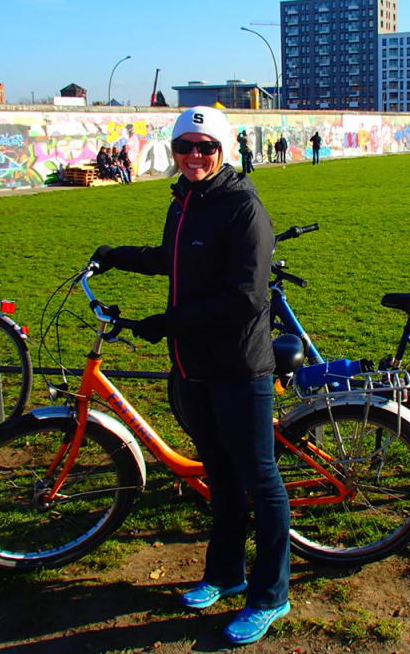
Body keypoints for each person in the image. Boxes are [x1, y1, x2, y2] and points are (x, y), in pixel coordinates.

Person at [90, 106, 290, 645]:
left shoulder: (242, 207)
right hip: (192, 365)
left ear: (222, 149)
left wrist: (168, 322)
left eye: (205, 146)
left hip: (238, 367)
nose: (194, 156)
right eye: (185, 147)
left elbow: (246, 298)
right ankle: (225, 573)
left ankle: (271, 595)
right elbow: (174, 260)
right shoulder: (184, 202)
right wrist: (118, 257)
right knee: (219, 475)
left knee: (259, 480)